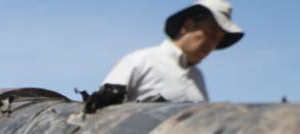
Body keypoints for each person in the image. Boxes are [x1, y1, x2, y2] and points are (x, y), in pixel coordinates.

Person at [97, 1, 244, 105]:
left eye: (218, 39)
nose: (212, 44)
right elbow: (100, 112)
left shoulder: (197, 77)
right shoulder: (141, 60)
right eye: (211, 33)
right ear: (187, 26)